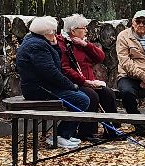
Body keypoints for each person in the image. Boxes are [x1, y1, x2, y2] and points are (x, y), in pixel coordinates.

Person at [14, 16, 89, 149]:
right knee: (81, 99)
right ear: (46, 32)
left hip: (41, 86)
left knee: (82, 97)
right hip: (40, 89)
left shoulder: (35, 41)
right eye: (53, 32)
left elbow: (55, 64)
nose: (55, 34)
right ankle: (61, 135)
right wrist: (71, 86)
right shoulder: (37, 46)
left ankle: (64, 134)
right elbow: (51, 72)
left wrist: (55, 46)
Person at [59, 15, 119, 139]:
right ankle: (86, 132)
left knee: (108, 94)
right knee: (91, 95)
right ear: (73, 30)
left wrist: (86, 45)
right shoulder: (63, 44)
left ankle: (112, 130)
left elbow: (100, 57)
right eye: (84, 28)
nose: (86, 30)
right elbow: (65, 68)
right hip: (74, 83)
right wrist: (83, 81)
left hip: (89, 81)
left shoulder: (82, 43)